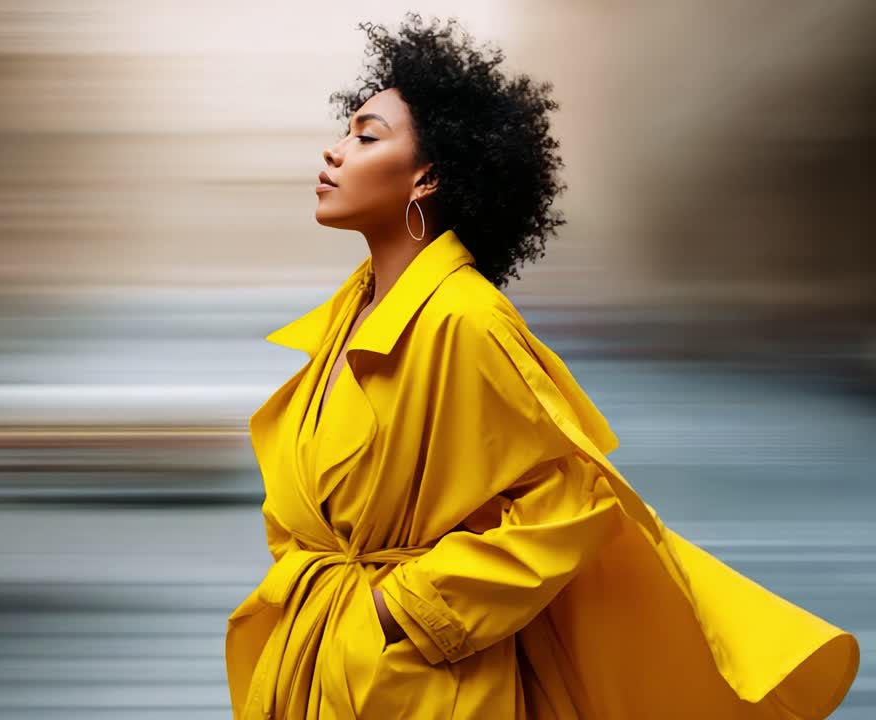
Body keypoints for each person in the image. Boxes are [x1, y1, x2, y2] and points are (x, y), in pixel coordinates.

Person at [225, 13, 858, 720]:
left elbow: (570, 504)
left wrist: (395, 613)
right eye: (346, 131)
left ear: (427, 176)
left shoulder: (466, 319)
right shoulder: (352, 313)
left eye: (366, 136)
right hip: (315, 663)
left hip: (418, 689)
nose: (336, 152)